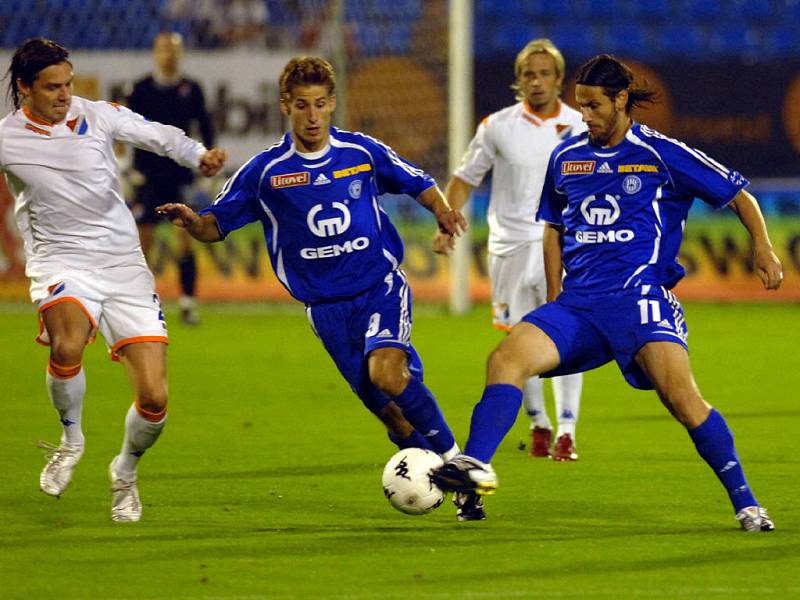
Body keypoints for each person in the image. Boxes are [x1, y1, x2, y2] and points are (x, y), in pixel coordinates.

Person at [433, 54, 782, 532]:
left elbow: (738, 193)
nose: (586, 116)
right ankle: (474, 464)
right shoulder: (567, 156)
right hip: (579, 305)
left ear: (621, 100)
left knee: (682, 400)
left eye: (594, 105)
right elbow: (553, 225)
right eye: (581, 106)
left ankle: (747, 503)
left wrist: (763, 248)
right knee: (505, 359)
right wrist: (555, 296)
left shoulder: (661, 153)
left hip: (640, 300)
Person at [156, 56, 481, 520]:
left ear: (332, 104)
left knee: (387, 375)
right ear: (285, 106)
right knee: (393, 416)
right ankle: (432, 474)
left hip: (379, 286)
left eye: (321, 105)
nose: (312, 116)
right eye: (302, 105)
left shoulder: (360, 153)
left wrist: (443, 211)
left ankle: (459, 469)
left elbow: (419, 182)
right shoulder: (265, 172)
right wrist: (193, 223)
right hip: (326, 309)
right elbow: (215, 227)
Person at [0, 38, 227, 522]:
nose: (65, 95)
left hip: (123, 262)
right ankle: (71, 439)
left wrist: (198, 154)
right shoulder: (7, 138)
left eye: (67, 83)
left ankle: (124, 469)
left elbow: (155, 134)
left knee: (154, 398)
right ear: (24, 88)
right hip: (61, 262)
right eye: (52, 88)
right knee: (67, 344)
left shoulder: (95, 114)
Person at [436, 38, 585, 461]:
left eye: (544, 74)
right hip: (510, 248)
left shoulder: (580, 126)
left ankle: (568, 431)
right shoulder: (497, 126)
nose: (536, 82)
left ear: (559, 79)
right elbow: (465, 178)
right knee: (522, 341)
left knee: (567, 337)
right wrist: (446, 219)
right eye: (528, 75)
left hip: (565, 245)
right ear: (517, 81)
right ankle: (539, 425)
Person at [127, 32, 216, 325]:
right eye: (164, 49)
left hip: (180, 176)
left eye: (175, 50)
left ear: (181, 54)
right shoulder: (139, 90)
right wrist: (129, 169)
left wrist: (206, 167)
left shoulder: (191, 89)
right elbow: (126, 132)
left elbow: (206, 128)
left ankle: (188, 302)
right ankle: (139, 305)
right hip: (148, 177)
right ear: (155, 53)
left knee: (185, 239)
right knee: (144, 244)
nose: (170, 55)